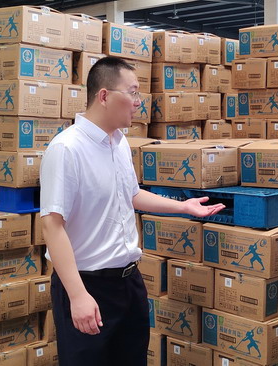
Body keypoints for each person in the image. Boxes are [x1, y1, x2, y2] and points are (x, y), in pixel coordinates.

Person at [41, 56, 225, 365]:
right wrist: (78, 295)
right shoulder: (67, 149)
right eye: (133, 92)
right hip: (88, 285)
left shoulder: (118, 142)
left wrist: (183, 206)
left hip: (128, 282)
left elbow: (132, 195)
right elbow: (52, 225)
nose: (138, 102)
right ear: (104, 96)